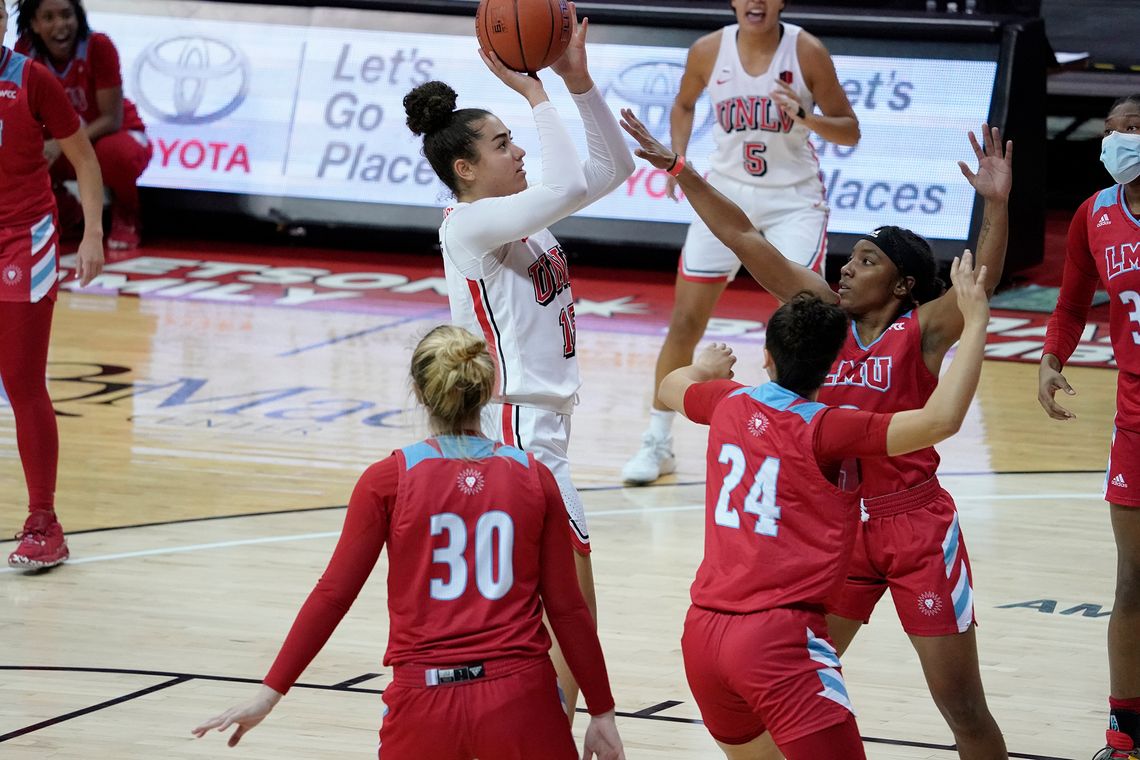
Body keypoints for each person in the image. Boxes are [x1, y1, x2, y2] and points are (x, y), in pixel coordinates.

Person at [621, 107, 1012, 758]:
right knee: (783, 682)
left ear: (904, 283)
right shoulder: (820, 318)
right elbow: (746, 238)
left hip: (914, 527)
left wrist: (996, 207)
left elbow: (984, 280)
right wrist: (682, 171)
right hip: (839, 533)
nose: (847, 269)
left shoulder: (922, 330)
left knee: (963, 706)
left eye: (866, 261)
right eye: (849, 258)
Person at [192, 325, 626, 760]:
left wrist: (270, 693)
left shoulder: (386, 481)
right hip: (519, 698)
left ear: (420, 392)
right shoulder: (535, 476)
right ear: (490, 388)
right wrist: (602, 712)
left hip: (424, 702)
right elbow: (568, 609)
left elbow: (332, 595)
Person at [660, 251, 990, 759]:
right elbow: (941, 420)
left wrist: (702, 367)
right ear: (834, 361)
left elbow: (670, 386)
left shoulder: (727, 401)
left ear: (766, 356)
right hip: (776, 637)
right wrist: (977, 321)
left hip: (702, 630)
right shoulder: (828, 428)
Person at [403, 2, 634, 719]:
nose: (522, 149)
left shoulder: (518, 222)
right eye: (504, 143)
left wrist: (578, 80)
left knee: (561, 622)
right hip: (516, 434)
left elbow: (612, 167)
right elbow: (566, 184)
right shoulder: (469, 225)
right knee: (570, 620)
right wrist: (537, 93)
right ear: (465, 168)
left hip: (542, 430)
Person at [621, 0, 860, 485]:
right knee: (686, 320)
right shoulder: (708, 50)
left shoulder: (806, 50)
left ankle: (807, 437)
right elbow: (684, 102)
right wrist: (680, 154)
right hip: (725, 195)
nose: (756, 2)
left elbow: (850, 130)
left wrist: (806, 118)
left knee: (806, 315)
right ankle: (657, 441)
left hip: (793, 200)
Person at [1038, 94, 1140, 760]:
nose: (1114, 143)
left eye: (1127, 130)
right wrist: (1051, 359)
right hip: (1136, 416)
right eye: (1109, 133)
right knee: (1133, 579)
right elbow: (1072, 302)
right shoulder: (1095, 213)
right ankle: (1125, 732)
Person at [1, 2, 105, 570]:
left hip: (24, 237)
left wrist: (92, 236)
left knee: (21, 381)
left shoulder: (29, 78)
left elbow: (85, 160)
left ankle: (45, 521)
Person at [15, 0, 152, 251]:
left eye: (67, 15)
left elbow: (112, 119)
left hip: (114, 135)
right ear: (34, 24)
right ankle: (66, 209)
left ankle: (127, 212)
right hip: (61, 145)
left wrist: (59, 143)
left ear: (78, 18)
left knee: (114, 154)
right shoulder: (24, 52)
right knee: (19, 152)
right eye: (48, 17)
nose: (60, 25)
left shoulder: (98, 46)